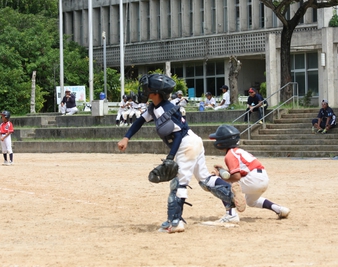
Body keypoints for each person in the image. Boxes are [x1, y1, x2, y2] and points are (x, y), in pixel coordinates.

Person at [117, 74, 245, 233]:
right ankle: (230, 192)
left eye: (147, 89)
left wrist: (171, 157)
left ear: (156, 93)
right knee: (204, 179)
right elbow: (140, 121)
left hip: (186, 144)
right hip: (193, 141)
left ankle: (175, 221)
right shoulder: (155, 107)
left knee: (178, 183)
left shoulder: (166, 109)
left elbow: (178, 135)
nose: (144, 91)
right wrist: (126, 137)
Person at [206, 124, 290, 224]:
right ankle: (279, 209)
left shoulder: (230, 155)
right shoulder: (239, 151)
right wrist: (223, 172)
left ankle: (230, 214)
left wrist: (219, 177)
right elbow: (239, 173)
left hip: (252, 180)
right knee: (251, 201)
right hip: (262, 178)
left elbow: (236, 177)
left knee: (217, 182)